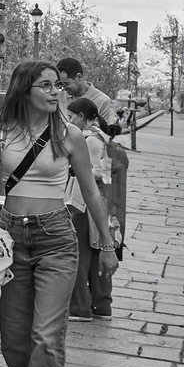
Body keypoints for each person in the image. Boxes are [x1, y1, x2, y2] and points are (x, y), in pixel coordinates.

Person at [0, 61, 115, 367]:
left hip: (56, 238)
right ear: (25, 89)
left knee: (46, 338)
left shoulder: (69, 134)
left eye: (58, 85)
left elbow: (91, 193)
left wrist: (107, 245)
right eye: (46, 85)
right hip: (9, 237)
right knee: (14, 343)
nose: (56, 92)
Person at [65, 97, 119, 322]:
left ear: (82, 117)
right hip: (103, 203)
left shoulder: (90, 141)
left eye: (70, 117)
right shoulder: (103, 139)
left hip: (83, 204)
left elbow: (98, 173)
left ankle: (80, 307)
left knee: (79, 256)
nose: (68, 121)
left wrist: (73, 169)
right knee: (98, 252)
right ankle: (101, 305)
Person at [55, 58, 117, 124]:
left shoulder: (103, 101)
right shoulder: (59, 96)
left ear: (79, 77)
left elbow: (106, 132)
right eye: (60, 84)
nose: (63, 88)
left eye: (66, 84)